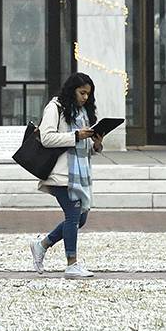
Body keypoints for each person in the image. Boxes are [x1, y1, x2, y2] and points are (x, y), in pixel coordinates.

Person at [28, 72, 101, 279]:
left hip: (80, 174)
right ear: (72, 90)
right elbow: (46, 138)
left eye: (89, 94)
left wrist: (96, 143)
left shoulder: (83, 111)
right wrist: (76, 135)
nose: (85, 97)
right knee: (72, 216)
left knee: (80, 218)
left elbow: (86, 147)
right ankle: (72, 264)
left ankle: (41, 245)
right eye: (82, 93)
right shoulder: (56, 107)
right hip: (61, 173)